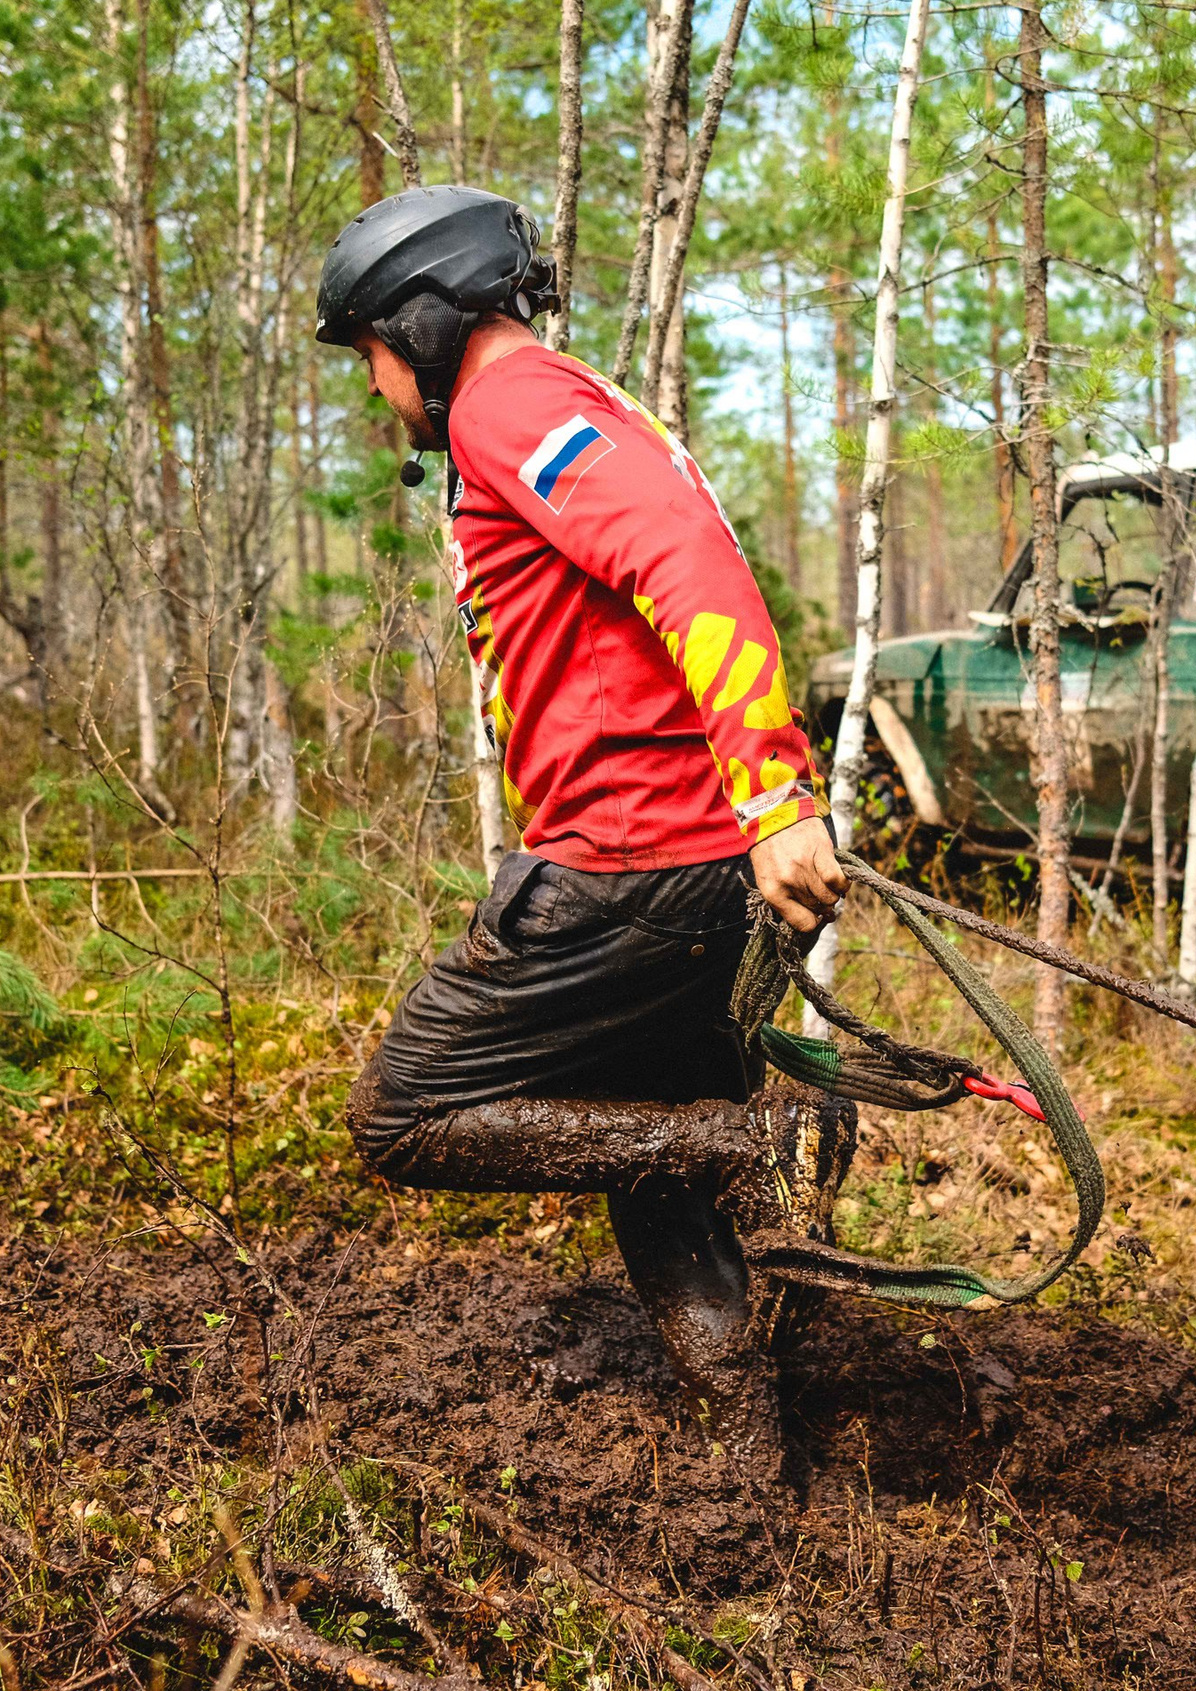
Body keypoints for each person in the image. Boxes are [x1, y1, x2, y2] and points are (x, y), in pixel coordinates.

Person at [316, 185, 852, 1479]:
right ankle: (746, 1471)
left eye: (375, 356)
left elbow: (686, 559)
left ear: (423, 325)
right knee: (643, 1150)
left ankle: (749, 1138)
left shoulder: (512, 407)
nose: (382, 388)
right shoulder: (567, 403)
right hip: (689, 863)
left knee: (402, 1113)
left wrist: (777, 793)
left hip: (634, 865)